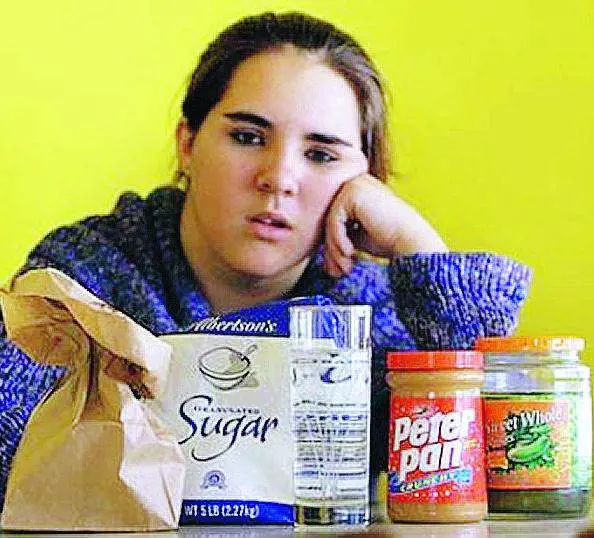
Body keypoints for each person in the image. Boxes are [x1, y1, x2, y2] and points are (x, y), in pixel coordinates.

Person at [0, 11, 532, 513]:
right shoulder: (87, 272)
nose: (278, 177)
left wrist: (419, 247)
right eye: (247, 137)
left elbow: (505, 460)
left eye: (321, 154)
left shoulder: (370, 313)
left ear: (366, 178)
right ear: (187, 143)